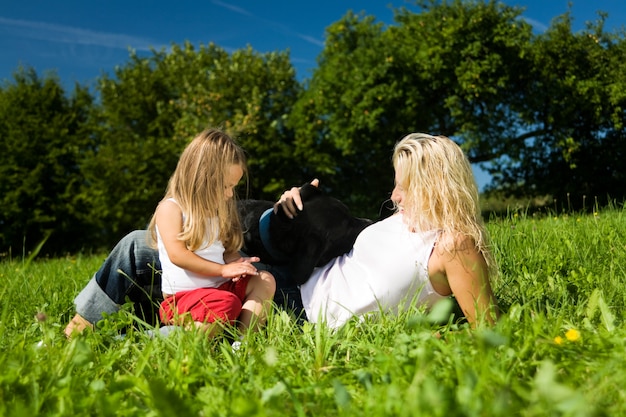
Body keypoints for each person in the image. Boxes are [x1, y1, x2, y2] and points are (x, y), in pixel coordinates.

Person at [65, 132, 497, 336]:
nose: (395, 194)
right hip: (290, 275)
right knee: (144, 243)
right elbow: (337, 240)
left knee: (210, 324)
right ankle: (78, 327)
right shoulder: (394, 223)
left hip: (300, 313)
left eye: (406, 185)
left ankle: (132, 340)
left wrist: (435, 335)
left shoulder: (454, 247)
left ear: (437, 186)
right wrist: (290, 213)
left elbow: (488, 330)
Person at [66, 129, 276, 338]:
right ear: (200, 177)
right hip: (185, 298)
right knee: (224, 305)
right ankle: (126, 339)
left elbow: (226, 251)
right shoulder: (171, 209)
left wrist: (237, 264)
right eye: (224, 186)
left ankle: (242, 342)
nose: (230, 194)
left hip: (218, 290)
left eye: (233, 187)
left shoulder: (219, 212)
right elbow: (178, 255)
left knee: (265, 279)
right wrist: (222, 270)